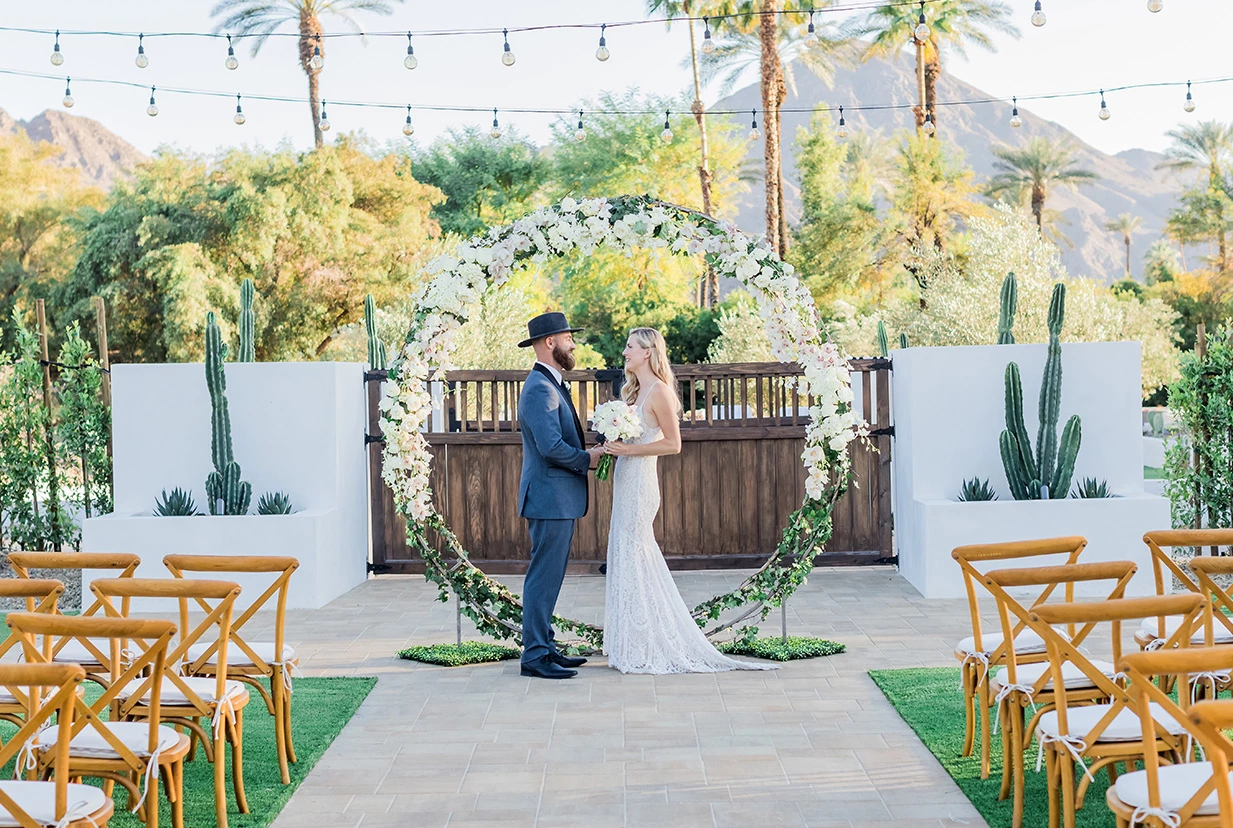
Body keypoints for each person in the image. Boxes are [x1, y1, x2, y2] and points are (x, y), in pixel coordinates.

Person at [601, 328, 776, 674]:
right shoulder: (634, 392)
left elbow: (673, 444)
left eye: (630, 347)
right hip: (625, 478)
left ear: (648, 352)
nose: (624, 352)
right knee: (623, 550)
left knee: (636, 551)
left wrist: (630, 449)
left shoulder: (660, 392)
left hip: (641, 482)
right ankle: (632, 640)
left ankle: (653, 640)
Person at [516, 312, 604, 680]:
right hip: (549, 498)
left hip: (556, 497)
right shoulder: (540, 387)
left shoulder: (551, 383)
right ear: (550, 342)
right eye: (569, 338)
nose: (573, 344)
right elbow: (550, 446)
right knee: (543, 576)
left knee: (549, 576)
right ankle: (535, 656)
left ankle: (546, 648)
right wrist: (589, 459)